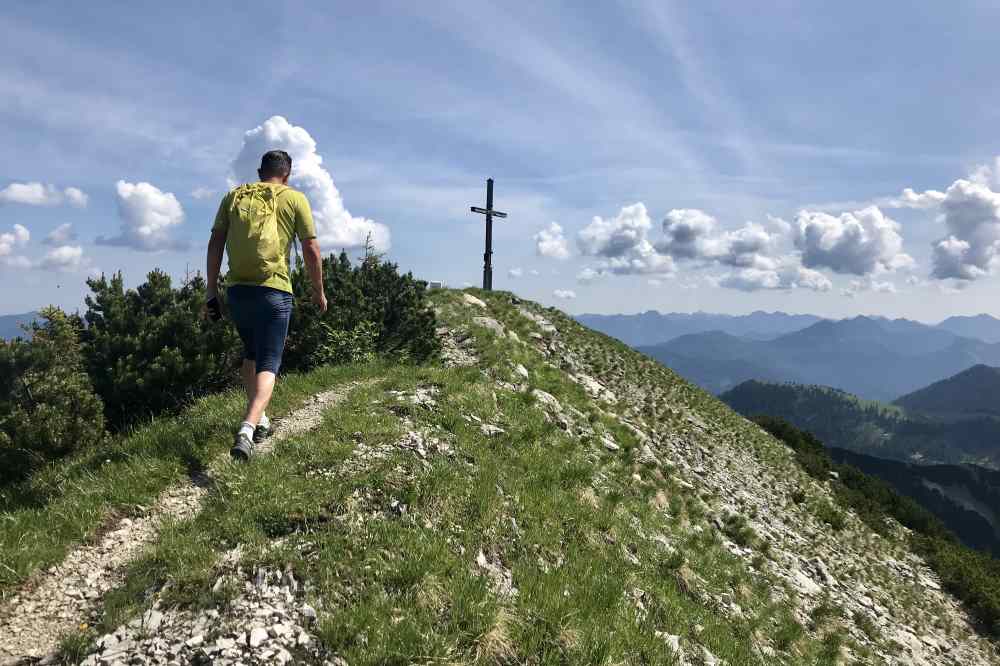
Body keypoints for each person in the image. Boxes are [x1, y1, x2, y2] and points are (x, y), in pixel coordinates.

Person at [205, 149, 327, 461]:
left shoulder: (233, 197)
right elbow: (311, 248)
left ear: (260, 172)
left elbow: (215, 242)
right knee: (270, 362)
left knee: (251, 354)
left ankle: (261, 419)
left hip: (238, 291)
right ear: (287, 174)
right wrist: (318, 291)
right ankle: (247, 429)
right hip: (274, 290)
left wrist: (211, 290)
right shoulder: (294, 198)